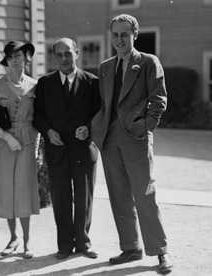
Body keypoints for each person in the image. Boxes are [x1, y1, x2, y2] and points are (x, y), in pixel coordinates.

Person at [91, 14, 173, 273]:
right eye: (115, 35)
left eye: (124, 35)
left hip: (136, 137)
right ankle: (131, 247)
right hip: (109, 140)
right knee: (119, 196)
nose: (119, 40)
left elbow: (159, 100)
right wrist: (97, 128)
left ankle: (160, 252)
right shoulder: (105, 66)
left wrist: (145, 127)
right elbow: (103, 103)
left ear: (134, 35)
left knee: (145, 194)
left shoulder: (148, 62)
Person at [33, 38, 100, 260]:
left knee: (84, 198)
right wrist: (48, 132)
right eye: (59, 55)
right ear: (54, 57)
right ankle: (64, 245)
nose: (63, 59)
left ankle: (83, 242)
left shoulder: (92, 82)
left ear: (77, 53)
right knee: (61, 199)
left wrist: (89, 128)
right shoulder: (45, 84)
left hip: (83, 151)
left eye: (68, 54)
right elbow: (38, 116)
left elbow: (100, 114)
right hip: (57, 150)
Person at [0, 41, 40, 259]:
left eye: (18, 55)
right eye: (10, 57)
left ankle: (27, 241)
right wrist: (6, 137)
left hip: (27, 140)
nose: (14, 60)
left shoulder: (35, 86)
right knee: (6, 190)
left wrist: (37, 147)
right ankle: (13, 238)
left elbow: (39, 119)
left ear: (27, 58)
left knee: (23, 190)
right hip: (2, 143)